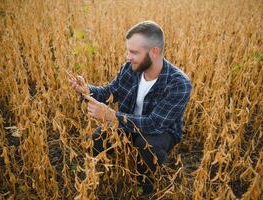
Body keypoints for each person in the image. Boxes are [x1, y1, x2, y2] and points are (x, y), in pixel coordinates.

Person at [69, 20, 192, 196]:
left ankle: (146, 187)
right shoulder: (130, 68)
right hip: (126, 123)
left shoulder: (179, 83)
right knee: (96, 139)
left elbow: (155, 124)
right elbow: (110, 91)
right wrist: (87, 90)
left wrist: (111, 116)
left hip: (160, 132)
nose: (128, 56)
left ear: (154, 52)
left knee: (147, 145)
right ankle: (102, 179)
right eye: (128, 50)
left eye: (134, 52)